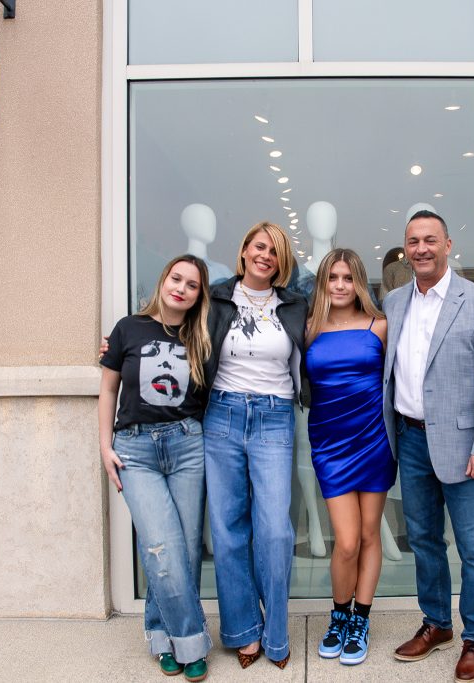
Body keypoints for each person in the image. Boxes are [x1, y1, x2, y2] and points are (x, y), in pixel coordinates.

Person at [382, 210, 474, 683]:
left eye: (430, 240)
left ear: (448, 244)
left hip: (463, 444)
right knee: (424, 540)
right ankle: (437, 624)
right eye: (413, 241)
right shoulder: (393, 302)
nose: (421, 249)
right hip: (410, 439)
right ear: (406, 248)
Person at [98, 255, 214, 682]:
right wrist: (104, 446)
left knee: (181, 550)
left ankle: (160, 635)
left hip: (187, 446)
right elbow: (108, 389)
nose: (181, 288)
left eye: (192, 285)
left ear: (200, 295)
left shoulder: (202, 336)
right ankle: (191, 641)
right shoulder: (128, 328)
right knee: (161, 547)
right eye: (176, 278)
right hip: (135, 449)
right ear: (163, 279)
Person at [203, 221, 307, 669]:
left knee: (275, 530)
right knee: (228, 529)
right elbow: (169, 324)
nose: (266, 256)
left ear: (282, 263)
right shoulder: (216, 298)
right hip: (221, 414)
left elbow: (342, 322)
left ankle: (277, 633)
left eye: (275, 252)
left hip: (274, 416)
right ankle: (244, 630)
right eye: (259, 247)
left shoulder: (295, 304)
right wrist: (121, 344)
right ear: (244, 250)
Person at [304, 248, 397, 666]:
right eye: (332, 278)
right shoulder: (307, 328)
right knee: (344, 541)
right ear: (323, 282)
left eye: (347, 278)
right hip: (329, 444)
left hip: (374, 441)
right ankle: (338, 614)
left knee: (368, 535)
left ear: (358, 282)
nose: (340, 285)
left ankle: (360, 618)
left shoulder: (380, 325)